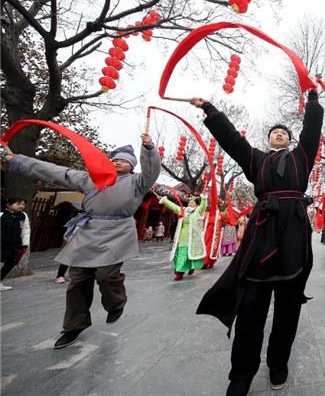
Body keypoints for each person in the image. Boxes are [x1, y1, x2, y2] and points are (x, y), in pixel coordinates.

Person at [192, 88, 323, 396]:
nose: (279, 134)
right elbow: (231, 140)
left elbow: (312, 131)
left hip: (293, 234)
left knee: (288, 308)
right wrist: (210, 109)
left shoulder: (302, 158)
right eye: (274, 132)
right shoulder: (256, 160)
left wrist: (313, 102)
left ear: (290, 140)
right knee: (251, 308)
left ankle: (279, 363)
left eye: (284, 133)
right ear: (268, 140)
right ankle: (241, 374)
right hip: (261, 233)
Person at [3, 134, 160, 348]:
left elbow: (151, 170)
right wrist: (19, 160)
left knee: (107, 275)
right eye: (114, 159)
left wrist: (149, 149)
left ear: (132, 165)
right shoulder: (90, 179)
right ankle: (73, 326)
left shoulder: (138, 182)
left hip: (117, 232)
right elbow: (57, 172)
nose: (117, 162)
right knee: (78, 279)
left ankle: (115, 303)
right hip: (89, 231)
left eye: (123, 160)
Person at [159, 194, 208, 280]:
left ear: (196, 204)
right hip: (182, 235)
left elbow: (203, 206)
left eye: (192, 203)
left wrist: (204, 198)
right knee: (181, 252)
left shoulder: (198, 211)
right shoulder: (183, 210)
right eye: (189, 202)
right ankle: (179, 272)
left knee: (191, 253)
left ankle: (191, 267)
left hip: (193, 236)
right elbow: (173, 206)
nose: (190, 204)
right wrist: (164, 200)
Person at [1, 197, 30, 291]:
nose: (21, 206)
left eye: (23, 204)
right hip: (2, 243)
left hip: (14, 244)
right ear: (8, 205)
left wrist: (25, 244)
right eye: (18, 204)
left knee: (11, 262)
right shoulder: (2, 214)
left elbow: (26, 230)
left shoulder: (23, 215)